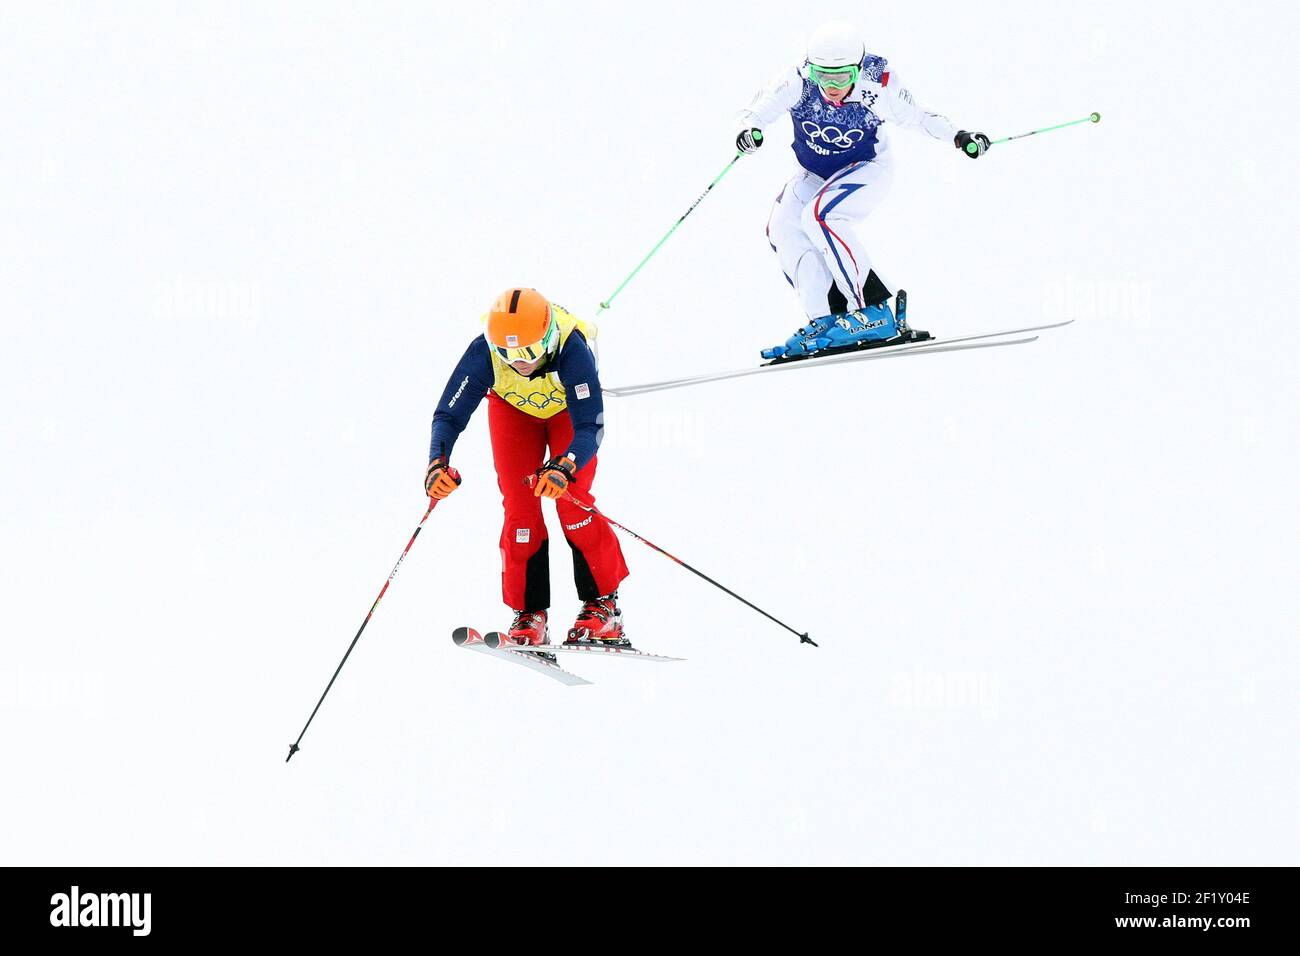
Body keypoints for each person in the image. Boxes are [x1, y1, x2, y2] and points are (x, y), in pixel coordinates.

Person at [736, 20, 992, 359]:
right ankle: (826, 320)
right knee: (783, 226)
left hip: (866, 168)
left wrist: (960, 136)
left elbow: (917, 116)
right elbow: (756, 111)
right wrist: (749, 131)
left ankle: (872, 311)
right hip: (815, 173)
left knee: (820, 216)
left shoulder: (877, 81)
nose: (831, 86)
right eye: (822, 76)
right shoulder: (797, 80)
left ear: (857, 69)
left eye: (841, 76)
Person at [425, 288, 629, 647]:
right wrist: (437, 463)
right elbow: (448, 414)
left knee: (572, 501)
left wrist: (565, 468)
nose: (519, 361)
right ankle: (530, 614)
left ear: (549, 338)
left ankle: (604, 607)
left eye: (530, 352)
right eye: (508, 353)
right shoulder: (483, 353)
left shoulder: (571, 348)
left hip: (568, 414)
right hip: (514, 413)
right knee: (520, 509)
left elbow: (589, 427)